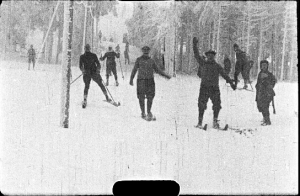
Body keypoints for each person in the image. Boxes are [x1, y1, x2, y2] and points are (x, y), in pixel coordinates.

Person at [193, 37, 236, 129]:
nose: (210, 57)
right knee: (201, 105)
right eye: (209, 55)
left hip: (214, 88)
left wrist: (231, 83)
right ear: (207, 56)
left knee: (217, 105)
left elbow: (224, 74)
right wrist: (194, 45)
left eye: (212, 55)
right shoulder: (203, 63)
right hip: (204, 87)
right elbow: (196, 54)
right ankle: (200, 122)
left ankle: (215, 121)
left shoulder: (217, 66)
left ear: (214, 56)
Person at [129, 46, 171, 120]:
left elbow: (157, 70)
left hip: (148, 81)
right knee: (142, 97)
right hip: (143, 80)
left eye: (147, 52)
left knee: (150, 97)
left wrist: (165, 75)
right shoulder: (141, 60)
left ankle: (148, 112)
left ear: (148, 52)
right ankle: (143, 112)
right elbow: (134, 69)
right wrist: (131, 79)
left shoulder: (151, 61)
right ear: (143, 52)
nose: (146, 53)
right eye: (145, 52)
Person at [80, 44, 111, 108]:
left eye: (87, 48)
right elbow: (98, 64)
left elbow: (80, 66)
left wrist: (83, 70)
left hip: (90, 73)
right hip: (92, 73)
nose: (87, 50)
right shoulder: (91, 55)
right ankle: (106, 97)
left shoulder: (83, 56)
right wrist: (97, 69)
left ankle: (85, 99)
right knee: (100, 84)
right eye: (87, 48)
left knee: (87, 86)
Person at [255, 60, 276, 126]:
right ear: (261, 66)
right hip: (260, 93)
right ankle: (265, 118)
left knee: (265, 106)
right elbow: (258, 82)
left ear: (267, 66)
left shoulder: (269, 74)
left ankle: (267, 121)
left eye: (265, 65)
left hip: (267, 94)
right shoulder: (260, 73)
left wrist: (269, 84)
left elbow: (273, 81)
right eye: (262, 65)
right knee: (260, 106)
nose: (264, 66)